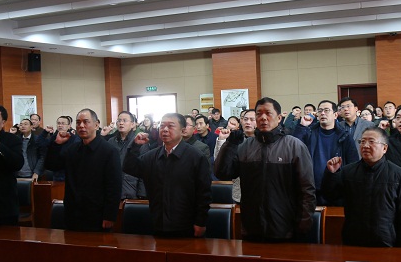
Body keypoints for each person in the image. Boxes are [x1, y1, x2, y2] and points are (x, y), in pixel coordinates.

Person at [215, 97, 316, 242]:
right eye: (259, 114)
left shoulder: (294, 146)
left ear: (279, 118)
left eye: (268, 113)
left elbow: (307, 189)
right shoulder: (246, 146)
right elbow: (223, 173)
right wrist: (230, 145)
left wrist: (303, 224)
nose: (263, 118)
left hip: (285, 228)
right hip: (251, 227)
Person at [322, 127, 401, 247]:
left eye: (371, 141)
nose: (365, 146)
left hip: (386, 242)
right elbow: (330, 195)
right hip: (353, 241)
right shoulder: (348, 171)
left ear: (384, 148)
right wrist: (331, 174)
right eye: (362, 141)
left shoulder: (398, 175)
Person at [124, 113, 211, 237]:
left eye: (170, 126)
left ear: (183, 130)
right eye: (162, 126)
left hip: (187, 224)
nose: (165, 129)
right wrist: (135, 146)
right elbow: (130, 167)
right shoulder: (152, 156)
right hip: (158, 222)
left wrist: (200, 222)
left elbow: (204, 193)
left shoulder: (195, 157)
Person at [45, 109, 122, 232]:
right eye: (78, 122)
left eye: (86, 122)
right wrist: (57, 144)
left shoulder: (109, 151)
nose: (81, 126)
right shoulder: (72, 149)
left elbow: (114, 186)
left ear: (96, 124)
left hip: (97, 214)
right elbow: (51, 165)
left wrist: (109, 215)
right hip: (72, 213)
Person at [292, 100, 359, 205]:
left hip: (336, 190)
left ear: (335, 115)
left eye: (326, 110)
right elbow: (294, 147)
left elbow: (352, 163)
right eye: (320, 111)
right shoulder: (309, 132)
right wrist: (302, 126)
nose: (322, 113)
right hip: (311, 189)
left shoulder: (345, 136)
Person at [108, 111, 142, 200]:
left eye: (124, 120)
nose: (121, 123)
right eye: (119, 120)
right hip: (112, 189)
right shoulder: (111, 141)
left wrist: (142, 194)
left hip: (131, 190)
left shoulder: (139, 141)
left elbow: (144, 170)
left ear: (132, 124)